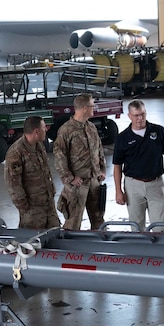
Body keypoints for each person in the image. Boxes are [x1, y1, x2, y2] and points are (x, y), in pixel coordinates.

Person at [112, 100, 164, 230]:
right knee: (136, 227)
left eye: (143, 114)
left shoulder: (158, 131)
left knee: (160, 227)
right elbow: (117, 166)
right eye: (136, 115)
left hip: (156, 184)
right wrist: (118, 190)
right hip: (133, 186)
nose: (140, 118)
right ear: (129, 116)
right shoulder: (122, 138)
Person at [54, 94, 106, 230]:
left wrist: (102, 170)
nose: (94, 108)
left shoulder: (91, 127)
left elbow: (99, 149)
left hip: (94, 182)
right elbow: (60, 156)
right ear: (84, 108)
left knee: (98, 220)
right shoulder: (66, 130)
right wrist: (69, 178)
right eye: (92, 106)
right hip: (77, 185)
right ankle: (72, 250)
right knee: (73, 222)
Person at [4, 116, 60, 230]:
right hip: (32, 210)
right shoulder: (16, 152)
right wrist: (24, 207)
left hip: (48, 204)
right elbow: (13, 183)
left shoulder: (39, 146)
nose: (46, 130)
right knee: (33, 242)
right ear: (36, 131)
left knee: (56, 236)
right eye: (44, 128)